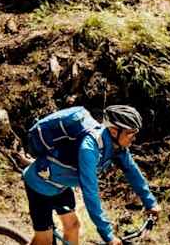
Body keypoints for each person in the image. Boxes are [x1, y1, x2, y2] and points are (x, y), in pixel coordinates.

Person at [22, 105, 160, 245]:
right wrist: (108, 235)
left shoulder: (117, 147)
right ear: (113, 131)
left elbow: (132, 170)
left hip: (61, 187)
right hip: (39, 185)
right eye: (130, 133)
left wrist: (150, 202)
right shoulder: (89, 148)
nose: (134, 138)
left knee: (73, 226)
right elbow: (90, 192)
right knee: (44, 240)